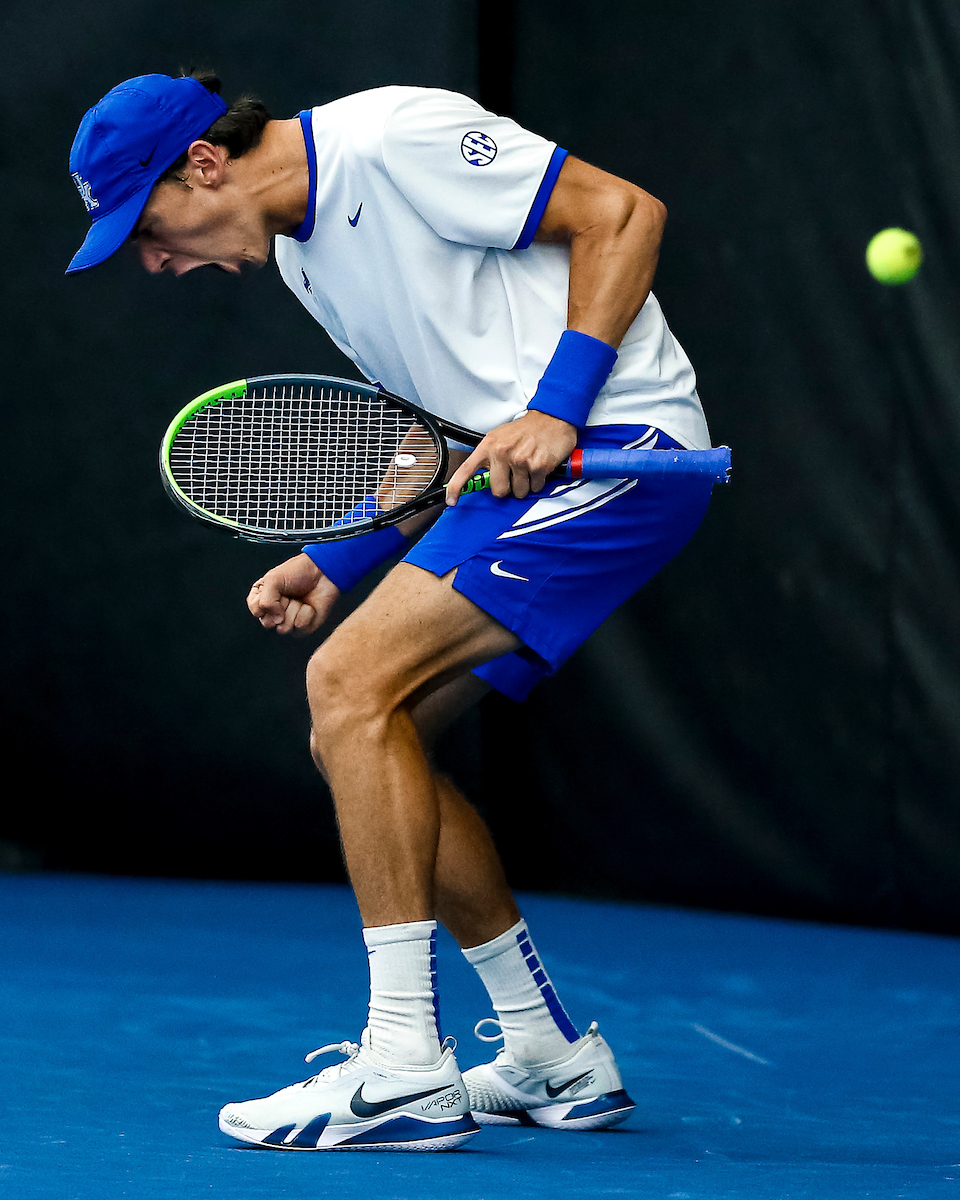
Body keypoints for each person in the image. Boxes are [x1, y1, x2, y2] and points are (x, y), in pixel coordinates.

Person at [67, 71, 716, 1152]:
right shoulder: (308, 260)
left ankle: (406, 1066)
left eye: (149, 224)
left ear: (204, 164)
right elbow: (442, 436)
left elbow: (622, 213)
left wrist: (554, 409)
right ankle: (551, 1053)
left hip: (622, 453)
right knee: (373, 730)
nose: (153, 257)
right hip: (532, 477)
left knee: (347, 686)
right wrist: (338, 556)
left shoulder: (394, 137)